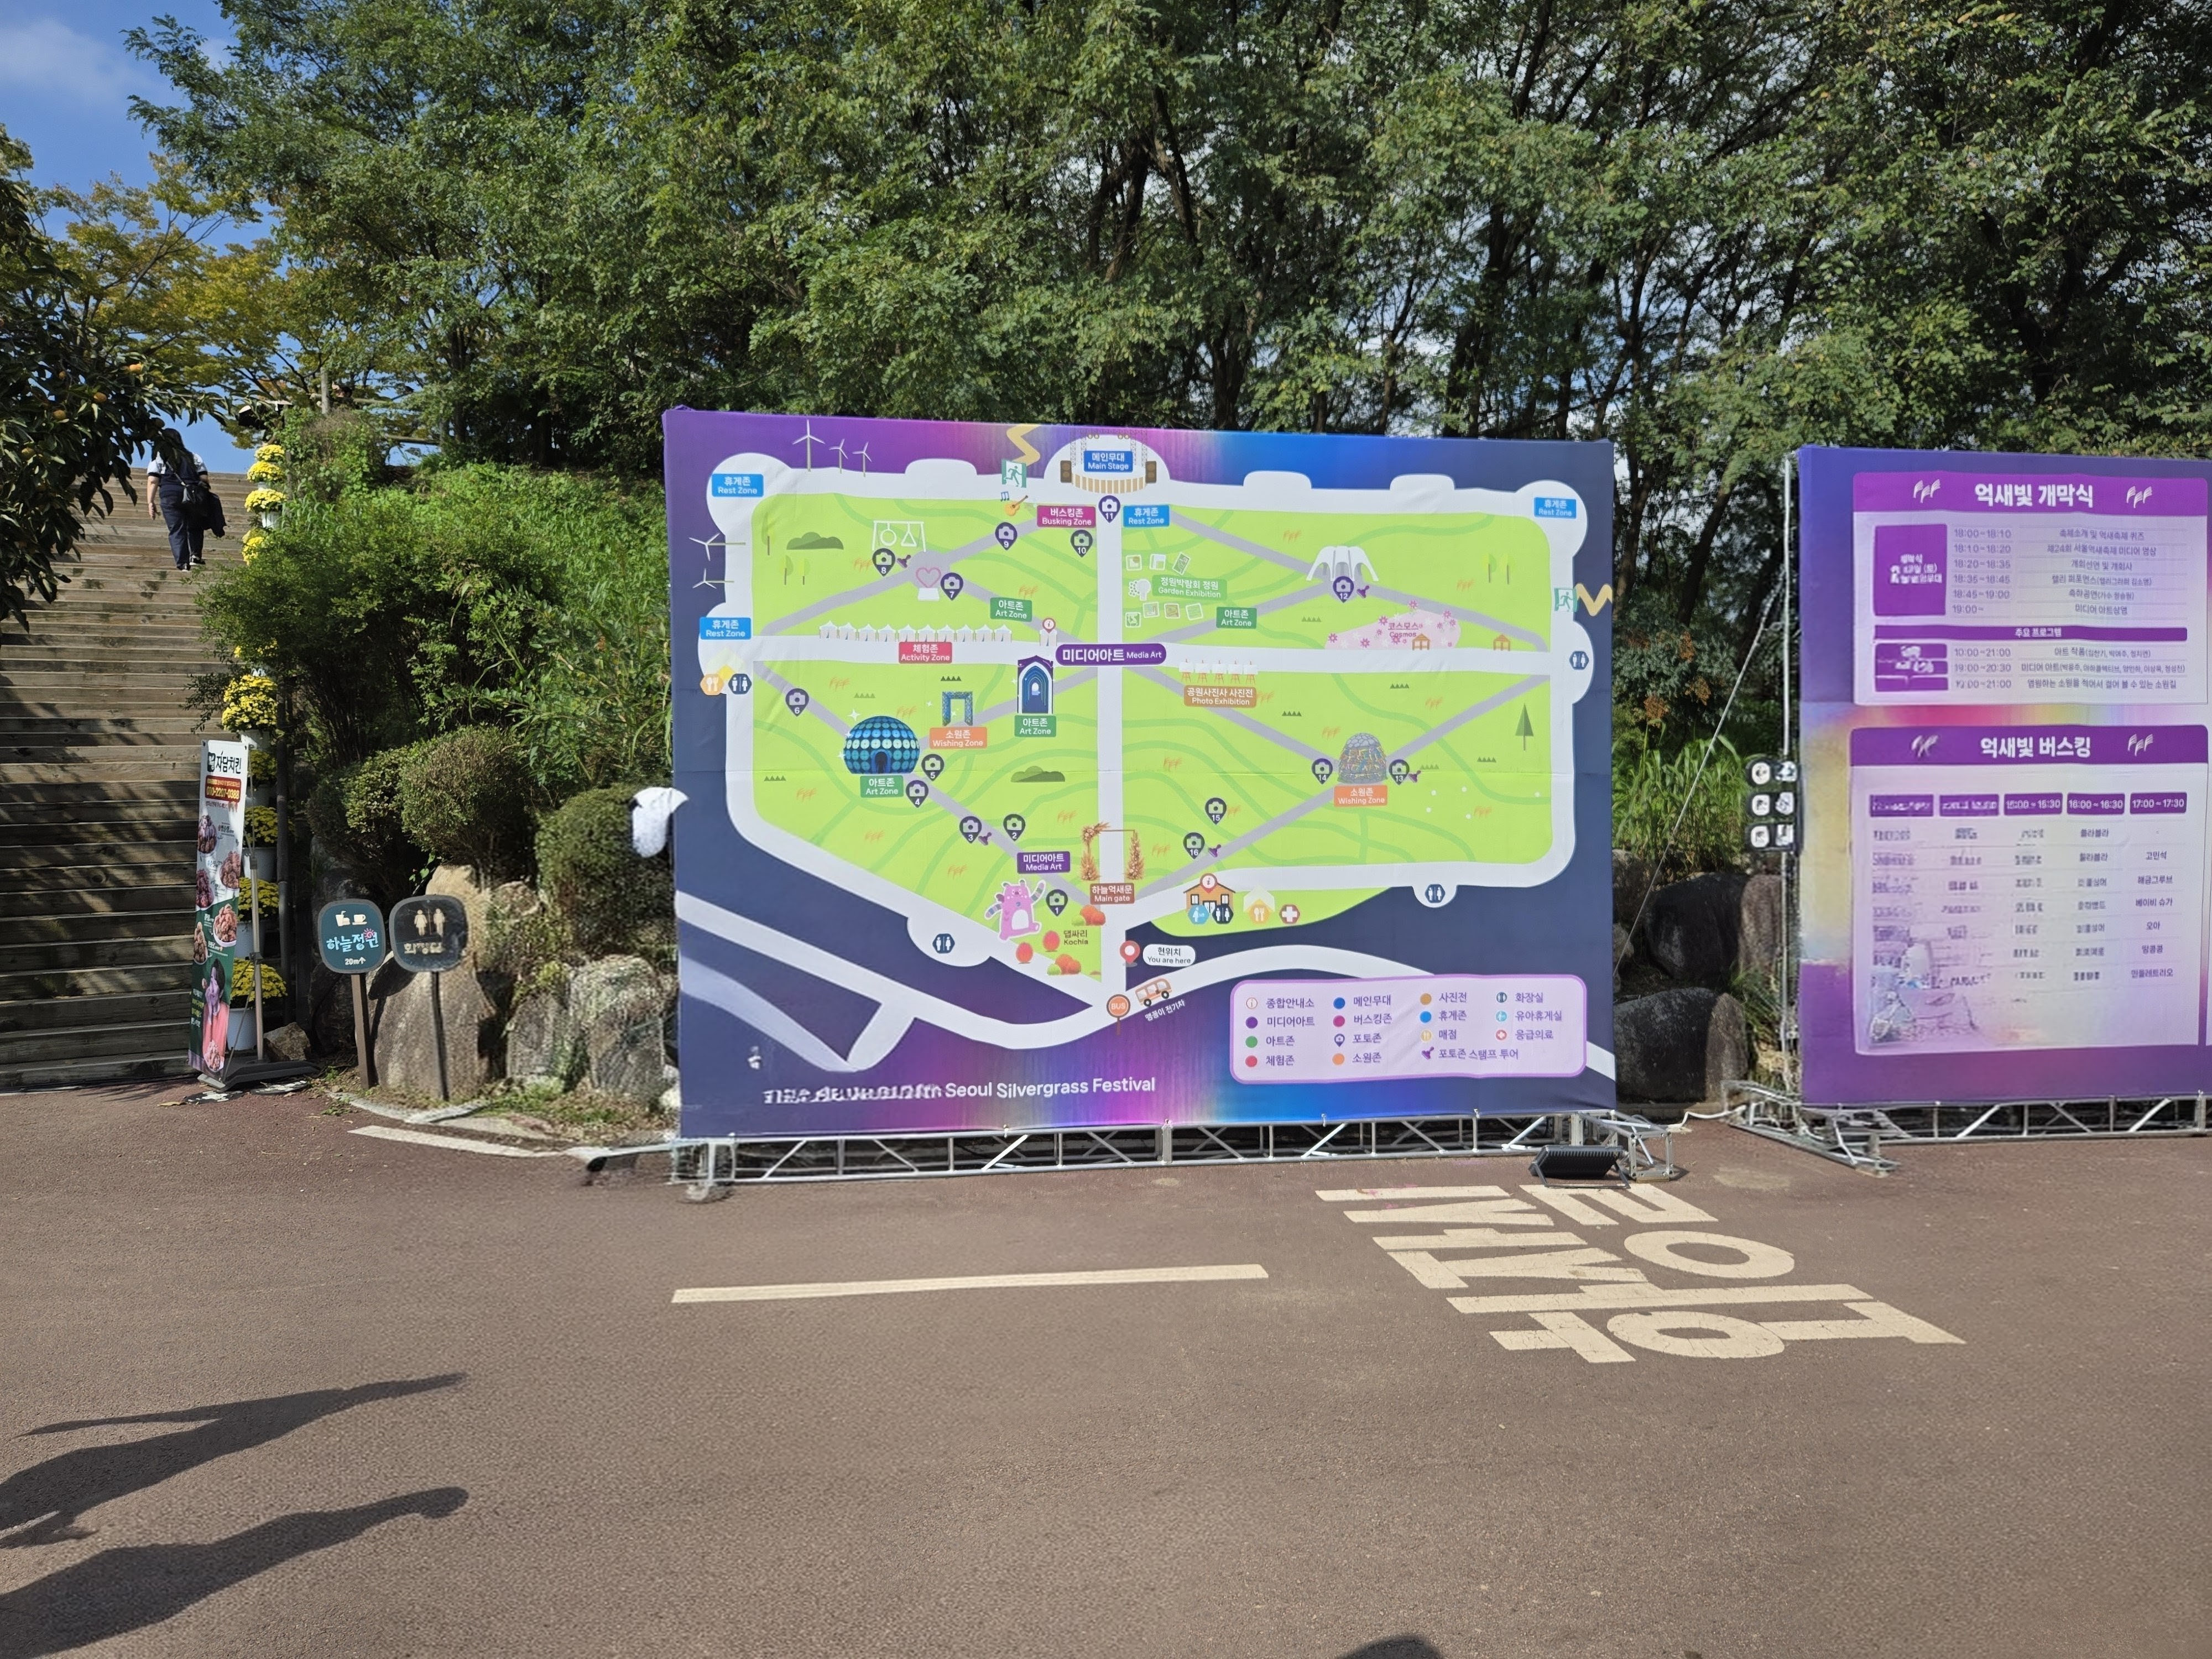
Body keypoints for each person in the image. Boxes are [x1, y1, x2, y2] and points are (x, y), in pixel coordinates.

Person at [146, 432, 211, 570]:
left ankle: (183, 564)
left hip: (170, 496)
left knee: (177, 529)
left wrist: (150, 502)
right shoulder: (194, 457)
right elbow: (204, 479)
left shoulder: (159, 458)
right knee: (195, 526)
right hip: (193, 495)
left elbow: (153, 480)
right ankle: (195, 556)